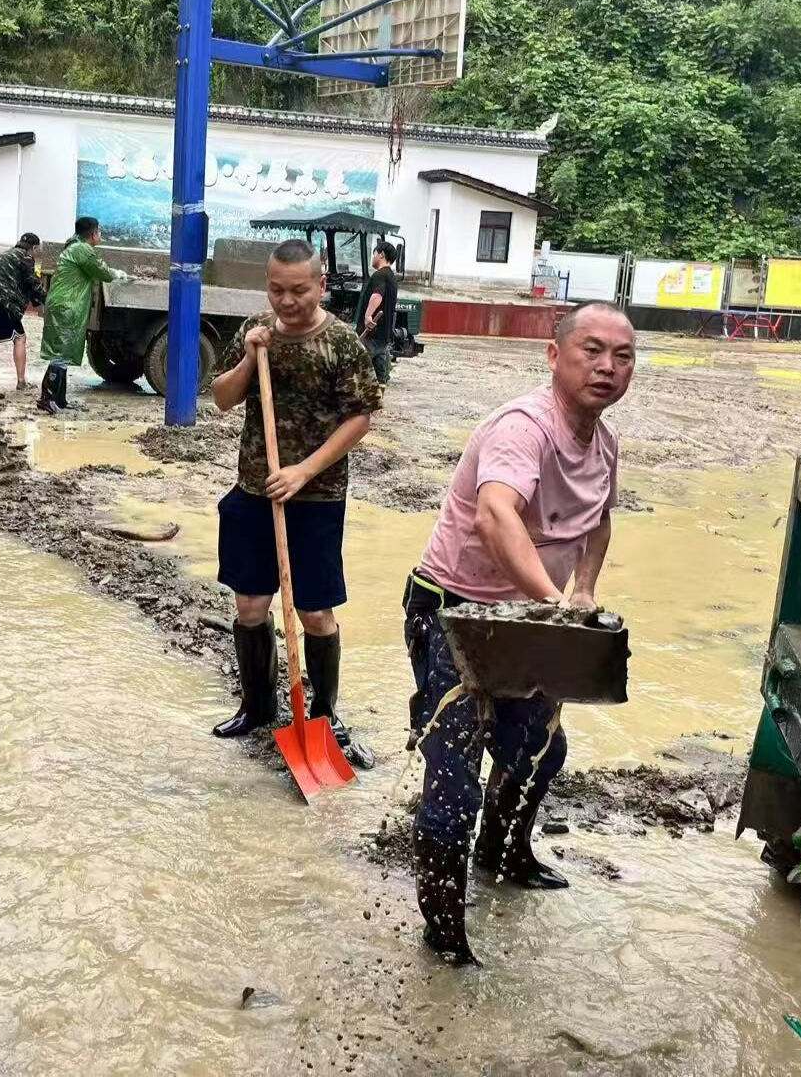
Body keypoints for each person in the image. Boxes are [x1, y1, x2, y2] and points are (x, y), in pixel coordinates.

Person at [403, 302, 636, 965]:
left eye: (622, 357)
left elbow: (597, 520)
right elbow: (495, 517)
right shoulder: (522, 429)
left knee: (539, 750)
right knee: (454, 779)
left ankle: (502, 857)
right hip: (459, 614)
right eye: (592, 350)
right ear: (554, 356)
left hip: (530, 620)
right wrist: (552, 607)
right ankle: (444, 936)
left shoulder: (604, 441)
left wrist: (582, 592)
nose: (607, 367)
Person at [207, 239, 384, 769]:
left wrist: (305, 469)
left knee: (314, 611)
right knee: (250, 606)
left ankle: (324, 717)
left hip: (317, 497)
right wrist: (250, 355)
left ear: (321, 285)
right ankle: (257, 707)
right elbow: (221, 396)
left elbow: (360, 417)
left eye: (299, 291)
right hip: (253, 489)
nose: (287, 301)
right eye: (277, 289)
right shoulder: (257, 330)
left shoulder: (342, 343)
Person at [39, 216, 125, 413]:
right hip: (66, 305)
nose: (100, 235)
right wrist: (118, 274)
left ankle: (59, 400)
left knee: (64, 351)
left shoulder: (74, 246)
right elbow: (102, 271)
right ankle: (48, 398)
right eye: (99, 232)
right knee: (60, 352)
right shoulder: (82, 250)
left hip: (66, 304)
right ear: (93, 234)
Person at [0, 233, 47, 392]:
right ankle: (21, 382)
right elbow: (32, 282)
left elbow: (24, 284)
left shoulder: (4, 255)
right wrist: (47, 299)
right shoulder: (25, 257)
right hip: (1, 299)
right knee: (20, 338)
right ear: (34, 248)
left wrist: (34, 300)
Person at [356, 241, 400, 384]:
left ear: (381, 255)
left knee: (358, 373)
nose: (373, 257)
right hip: (383, 336)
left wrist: (368, 315)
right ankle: (378, 401)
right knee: (379, 378)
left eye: (374, 253)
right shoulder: (392, 278)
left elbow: (377, 296)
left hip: (371, 335)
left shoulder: (379, 275)